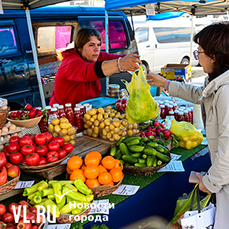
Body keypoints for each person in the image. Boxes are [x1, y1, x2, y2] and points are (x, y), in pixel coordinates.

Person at [147, 22, 229, 229]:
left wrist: (210, 182)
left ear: (215, 56)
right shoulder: (217, 81)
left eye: (199, 52)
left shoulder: (227, 92)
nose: (197, 57)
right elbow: (199, 95)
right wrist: (164, 84)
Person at [49, 27, 141, 106]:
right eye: (91, 45)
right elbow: (88, 71)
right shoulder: (70, 63)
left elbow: (115, 58)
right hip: (62, 114)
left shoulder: (95, 56)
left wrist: (132, 60)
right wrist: (119, 64)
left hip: (86, 111)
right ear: (79, 48)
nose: (96, 49)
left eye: (98, 45)